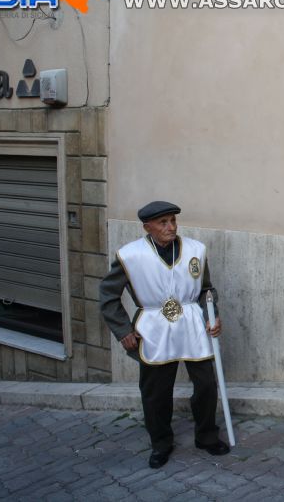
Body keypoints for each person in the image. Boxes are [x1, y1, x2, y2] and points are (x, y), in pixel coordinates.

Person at [99, 200, 230, 468]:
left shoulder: (195, 250)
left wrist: (211, 315)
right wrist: (123, 329)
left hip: (192, 324)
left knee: (206, 385)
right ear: (148, 227)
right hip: (154, 327)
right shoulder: (130, 255)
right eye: (163, 222)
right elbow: (108, 296)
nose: (170, 227)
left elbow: (206, 290)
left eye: (173, 220)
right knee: (156, 391)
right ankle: (161, 443)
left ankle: (206, 436)